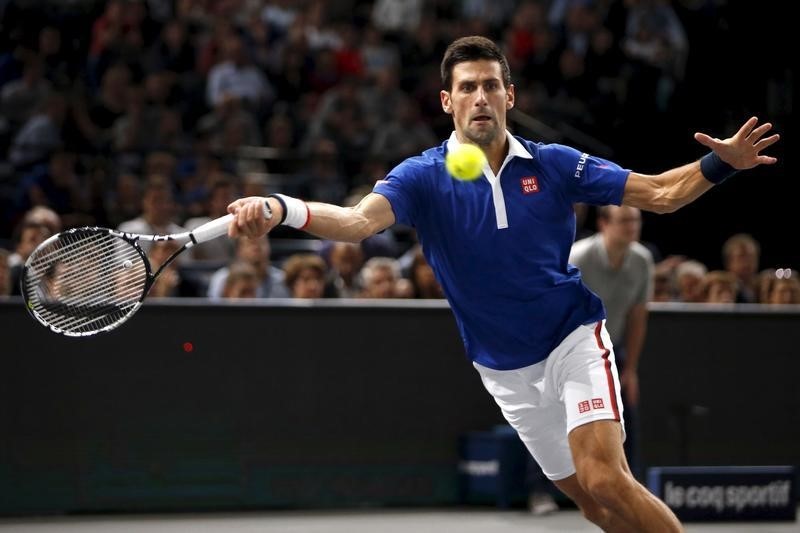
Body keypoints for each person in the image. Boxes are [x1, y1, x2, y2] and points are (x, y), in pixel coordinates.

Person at [226, 36, 779, 532]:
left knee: (607, 479)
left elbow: (660, 193)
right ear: (448, 101)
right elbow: (353, 224)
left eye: (491, 85)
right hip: (504, 370)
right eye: (467, 88)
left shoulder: (557, 164)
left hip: (572, 339)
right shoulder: (421, 176)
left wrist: (719, 164)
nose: (480, 97)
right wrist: (281, 207)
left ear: (509, 96)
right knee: (591, 503)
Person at [569, 205, 654, 481]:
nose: (632, 227)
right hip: (566, 347)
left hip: (611, 348)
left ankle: (630, 485)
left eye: (636, 221)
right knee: (560, 417)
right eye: (624, 221)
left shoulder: (642, 260)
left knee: (625, 412)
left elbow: (638, 316)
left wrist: (631, 369)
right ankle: (539, 491)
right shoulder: (578, 257)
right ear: (604, 224)